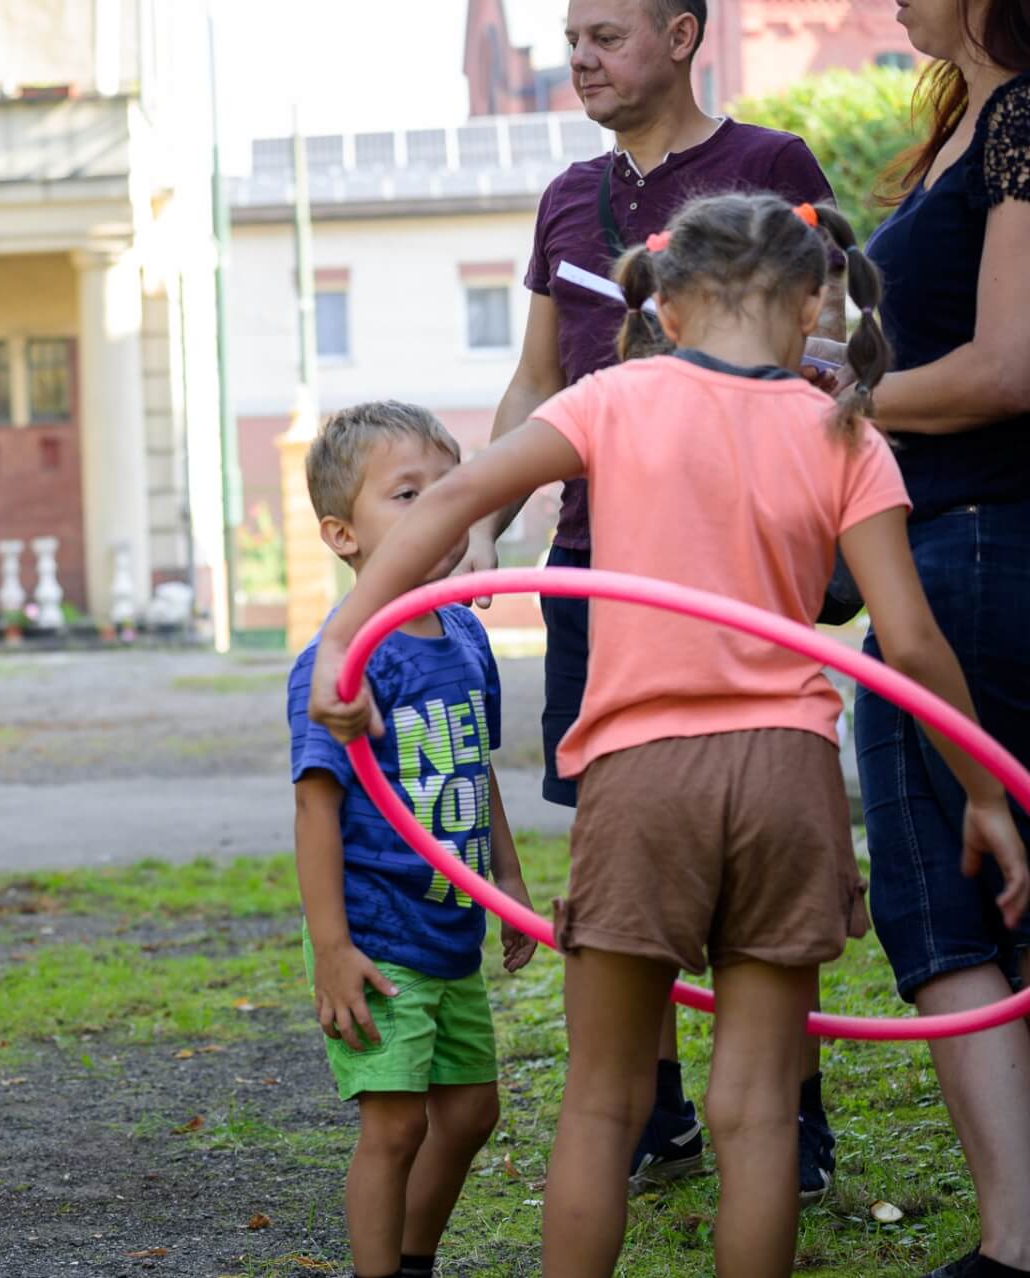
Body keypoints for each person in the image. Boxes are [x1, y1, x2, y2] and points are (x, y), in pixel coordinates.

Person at [310, 191, 1029, 1277]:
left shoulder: (614, 397)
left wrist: (341, 643)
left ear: (671, 311)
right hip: (788, 779)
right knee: (755, 1115)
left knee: (603, 1104)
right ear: (808, 305)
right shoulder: (846, 432)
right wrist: (983, 790)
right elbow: (914, 642)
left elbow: (452, 500)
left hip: (643, 776)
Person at [456, 0, 848, 1196]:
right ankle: (658, 1111)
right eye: (572, 37)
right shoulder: (566, 194)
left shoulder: (767, 165)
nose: (580, 56)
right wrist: (485, 531)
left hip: (725, 554)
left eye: (606, 35)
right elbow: (534, 374)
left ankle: (792, 1115)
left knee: (757, 835)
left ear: (682, 37)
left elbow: (827, 330)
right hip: (594, 553)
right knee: (623, 828)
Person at [850, 3, 1030, 1275]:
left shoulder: (1021, 116)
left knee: (955, 896)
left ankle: (1017, 1243)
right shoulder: (967, 119)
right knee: (962, 897)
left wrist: (824, 400)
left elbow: (1007, 368)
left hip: (976, 547)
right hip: (953, 544)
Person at [288, 401, 538, 1278]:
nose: (440, 509)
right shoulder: (344, 656)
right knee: (394, 1126)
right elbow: (315, 805)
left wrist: (507, 885)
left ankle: (412, 1258)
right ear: (342, 535)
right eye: (407, 494)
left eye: (451, 487)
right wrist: (332, 948)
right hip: (381, 936)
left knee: (471, 1115)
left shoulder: (466, 634)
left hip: (452, 930)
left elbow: (476, 764)